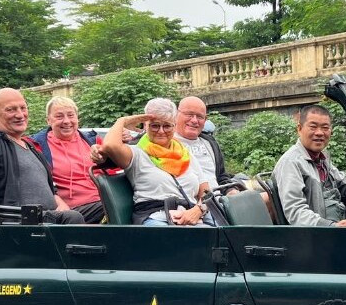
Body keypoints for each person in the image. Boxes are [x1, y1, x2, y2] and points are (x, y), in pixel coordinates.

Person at [0, 88, 85, 223]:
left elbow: (51, 188)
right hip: (18, 220)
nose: (20, 115)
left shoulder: (30, 146)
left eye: (23, 108)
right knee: (73, 218)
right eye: (11, 110)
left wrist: (61, 205)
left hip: (49, 218)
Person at [100, 98, 213, 226]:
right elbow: (109, 145)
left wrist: (198, 210)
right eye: (155, 125)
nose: (161, 131)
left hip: (191, 220)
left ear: (174, 126)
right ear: (145, 126)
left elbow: (206, 193)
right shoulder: (136, 153)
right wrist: (122, 121)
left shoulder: (185, 154)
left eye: (167, 126)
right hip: (156, 219)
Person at [272, 104, 346, 227]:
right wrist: (332, 226)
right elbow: (296, 212)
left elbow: (345, 183)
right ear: (299, 129)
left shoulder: (322, 158)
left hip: (340, 221)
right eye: (313, 127)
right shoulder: (291, 162)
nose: (319, 133)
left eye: (325, 128)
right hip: (322, 231)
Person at [30, 96, 106, 224]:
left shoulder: (93, 141)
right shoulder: (36, 146)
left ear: (77, 118)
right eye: (59, 116)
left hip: (101, 201)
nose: (66, 121)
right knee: (111, 207)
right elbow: (36, 182)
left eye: (71, 115)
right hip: (70, 211)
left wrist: (114, 148)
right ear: (48, 120)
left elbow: (117, 169)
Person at [174, 96, 233, 187]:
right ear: (176, 115)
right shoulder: (165, 143)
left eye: (199, 117)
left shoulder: (210, 143)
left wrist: (230, 190)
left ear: (205, 120)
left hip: (218, 194)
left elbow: (222, 177)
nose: (194, 120)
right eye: (189, 114)